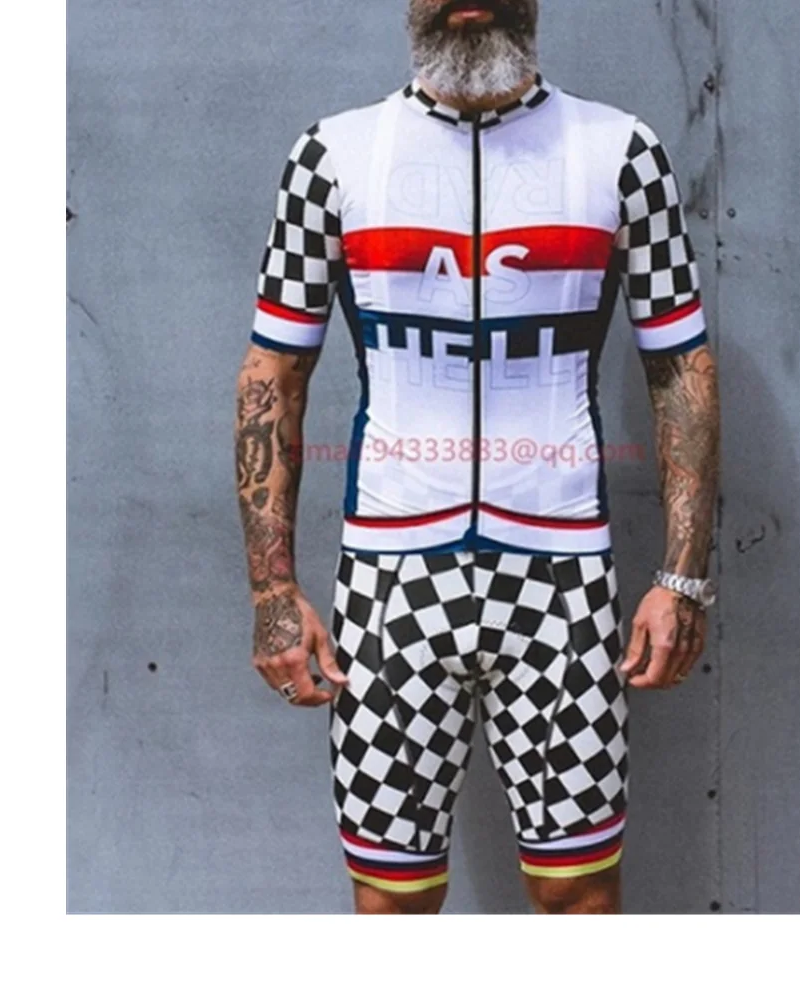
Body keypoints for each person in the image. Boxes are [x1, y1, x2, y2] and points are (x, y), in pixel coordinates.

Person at [234, 0, 720, 916]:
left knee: (578, 894)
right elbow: (274, 374)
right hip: (389, 583)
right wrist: (271, 592)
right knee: (393, 903)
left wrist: (683, 579)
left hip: (561, 582)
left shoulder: (620, 152)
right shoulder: (333, 156)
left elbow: (680, 369)